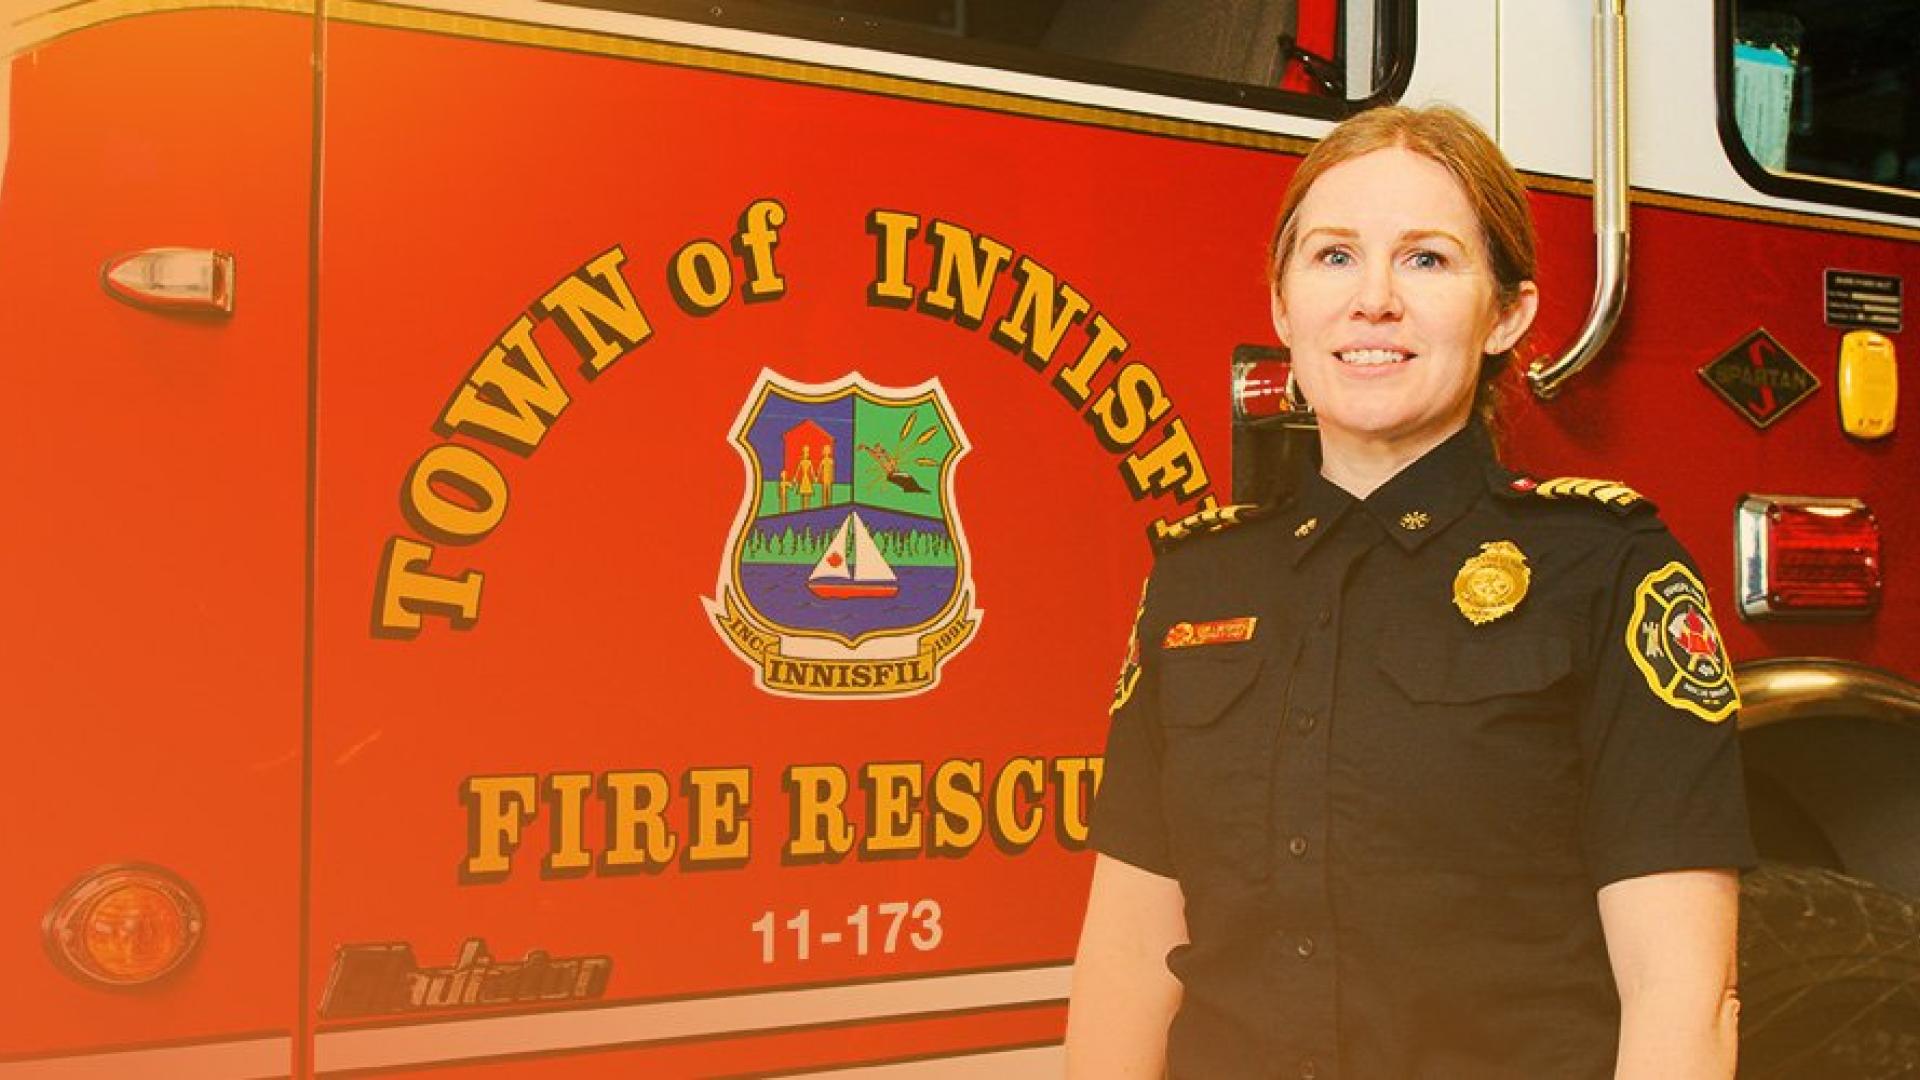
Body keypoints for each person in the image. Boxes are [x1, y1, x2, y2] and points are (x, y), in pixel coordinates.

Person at [1067, 104, 1754, 1080]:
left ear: (1508, 312)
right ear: (1283, 306)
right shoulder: (1196, 580)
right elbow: (1128, 960)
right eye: (1334, 256)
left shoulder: (1607, 571)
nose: (1374, 301)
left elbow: (1682, 992)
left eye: (1426, 259)